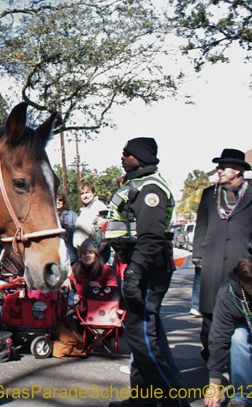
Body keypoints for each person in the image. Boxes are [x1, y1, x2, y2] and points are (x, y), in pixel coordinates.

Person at [105, 137, 183, 407]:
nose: (122, 157)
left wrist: (135, 274)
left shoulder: (151, 188)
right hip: (133, 263)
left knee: (142, 338)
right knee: (140, 337)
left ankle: (173, 402)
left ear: (140, 158)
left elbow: (151, 238)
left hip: (147, 268)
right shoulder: (135, 183)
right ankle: (142, 400)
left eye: (127, 154)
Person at [193, 149, 252, 363]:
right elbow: (201, 227)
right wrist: (198, 256)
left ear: (238, 170)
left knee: (246, 313)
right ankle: (212, 356)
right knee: (209, 315)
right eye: (219, 167)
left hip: (242, 266)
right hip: (212, 262)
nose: (219, 171)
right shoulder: (209, 195)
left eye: (224, 168)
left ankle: (246, 355)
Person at [204, 256, 252, 407]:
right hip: (243, 324)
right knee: (238, 339)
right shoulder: (227, 294)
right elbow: (219, 337)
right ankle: (241, 397)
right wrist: (214, 382)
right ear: (242, 283)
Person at [69, 240, 118, 315]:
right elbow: (64, 278)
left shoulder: (106, 270)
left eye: (91, 253)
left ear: (96, 255)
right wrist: (65, 280)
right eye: (84, 253)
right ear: (80, 256)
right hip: (83, 308)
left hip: (102, 309)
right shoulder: (75, 269)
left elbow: (113, 291)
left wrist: (101, 289)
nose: (87, 255)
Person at [76, 182, 109, 262]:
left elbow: (104, 232)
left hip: (96, 254)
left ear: (94, 193)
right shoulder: (84, 209)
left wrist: (96, 250)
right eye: (82, 193)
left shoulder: (99, 207)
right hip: (85, 252)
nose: (85, 196)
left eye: (87, 192)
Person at [57, 190, 78, 264]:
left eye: (60, 200)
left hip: (71, 257)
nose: (57, 202)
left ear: (64, 202)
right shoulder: (47, 217)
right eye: (55, 199)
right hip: (56, 258)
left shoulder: (72, 215)